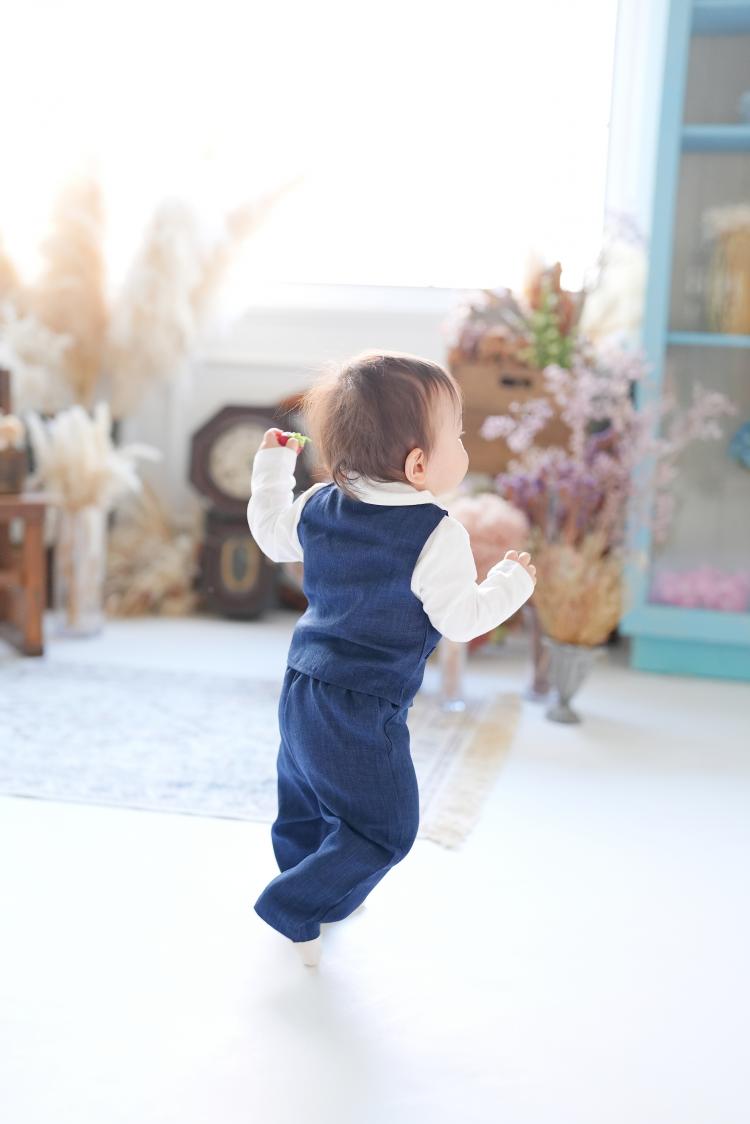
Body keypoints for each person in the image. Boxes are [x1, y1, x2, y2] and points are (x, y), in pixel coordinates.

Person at [247, 350, 536, 967]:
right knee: (386, 829)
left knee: (305, 804)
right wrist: (510, 584)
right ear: (418, 464)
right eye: (458, 435)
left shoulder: (319, 503)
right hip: (364, 704)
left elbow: (270, 534)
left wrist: (273, 466)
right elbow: (460, 619)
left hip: (300, 685)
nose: (464, 445)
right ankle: (296, 904)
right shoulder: (436, 532)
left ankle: (321, 894)